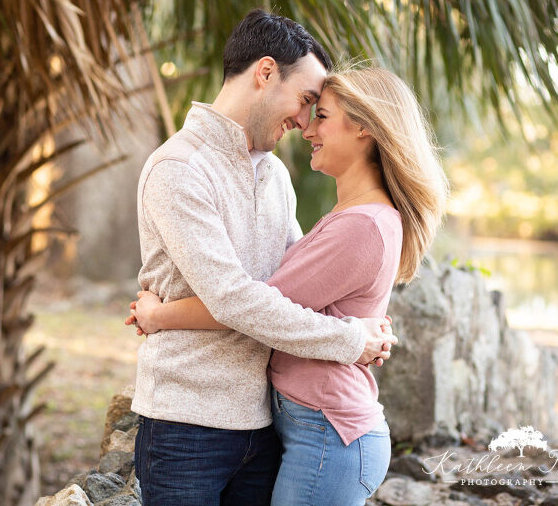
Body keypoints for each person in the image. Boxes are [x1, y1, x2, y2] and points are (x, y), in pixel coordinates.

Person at [128, 64, 449, 505]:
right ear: (264, 74)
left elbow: (252, 302)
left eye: (320, 115)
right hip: (227, 426)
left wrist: (157, 314)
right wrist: (355, 334)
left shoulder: (357, 223)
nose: (305, 126)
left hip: (319, 431)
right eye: (307, 105)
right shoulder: (181, 167)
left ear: (364, 129)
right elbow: (262, 296)